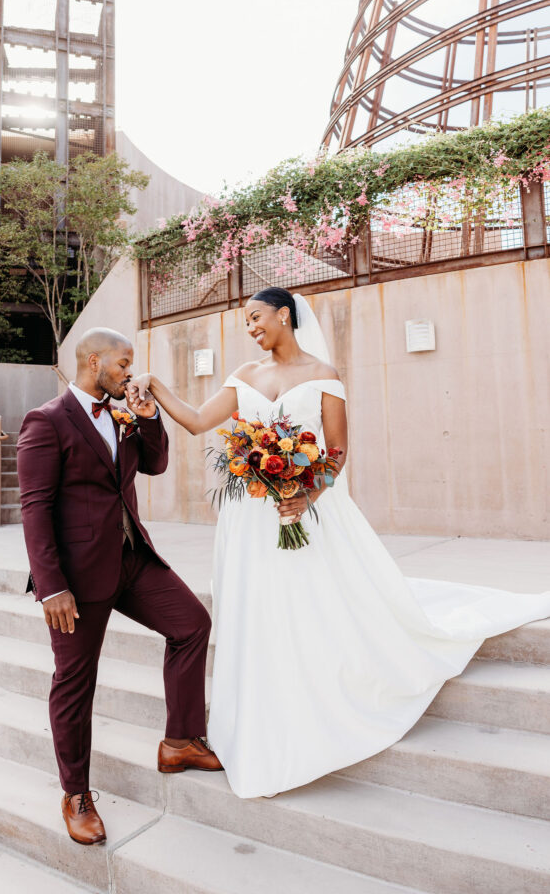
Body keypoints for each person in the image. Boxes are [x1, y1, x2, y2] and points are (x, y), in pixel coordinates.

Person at [127, 287, 550, 799]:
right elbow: (195, 422)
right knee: (259, 606)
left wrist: (304, 497)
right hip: (248, 519)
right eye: (247, 322)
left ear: (285, 315)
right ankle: (266, 704)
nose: (252, 328)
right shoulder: (244, 377)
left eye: (257, 317)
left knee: (309, 600)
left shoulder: (323, 375)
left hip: (304, 507)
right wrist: (155, 386)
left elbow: (336, 452)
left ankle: (319, 694)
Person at [17, 327, 222, 846]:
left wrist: (149, 416)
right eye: (122, 363)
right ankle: (76, 795)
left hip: (132, 559)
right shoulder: (47, 421)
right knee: (75, 682)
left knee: (192, 624)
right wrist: (50, 587)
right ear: (93, 364)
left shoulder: (124, 413)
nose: (130, 370)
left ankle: (179, 740)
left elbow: (154, 464)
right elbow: (35, 509)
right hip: (77, 577)